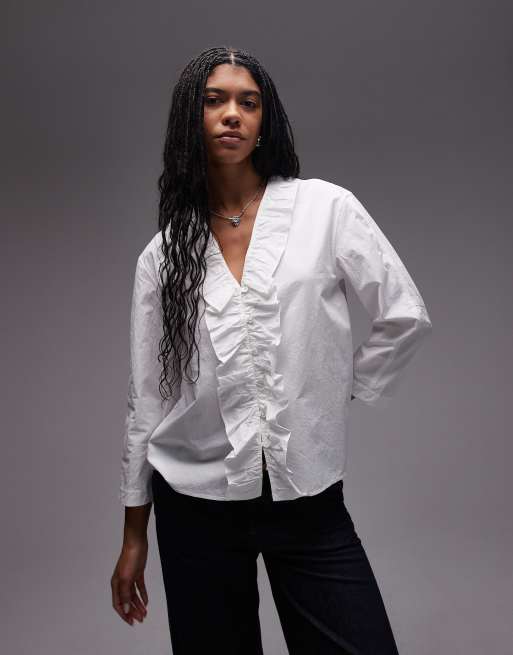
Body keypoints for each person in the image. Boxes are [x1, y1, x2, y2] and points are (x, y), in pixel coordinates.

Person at [110, 45, 433, 654]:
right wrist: (133, 536)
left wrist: (337, 390)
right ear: (191, 120)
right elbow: (146, 400)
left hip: (306, 498)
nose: (232, 114)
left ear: (265, 121)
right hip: (196, 505)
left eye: (248, 102)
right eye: (214, 101)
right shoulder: (164, 255)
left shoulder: (325, 210)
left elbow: (403, 313)